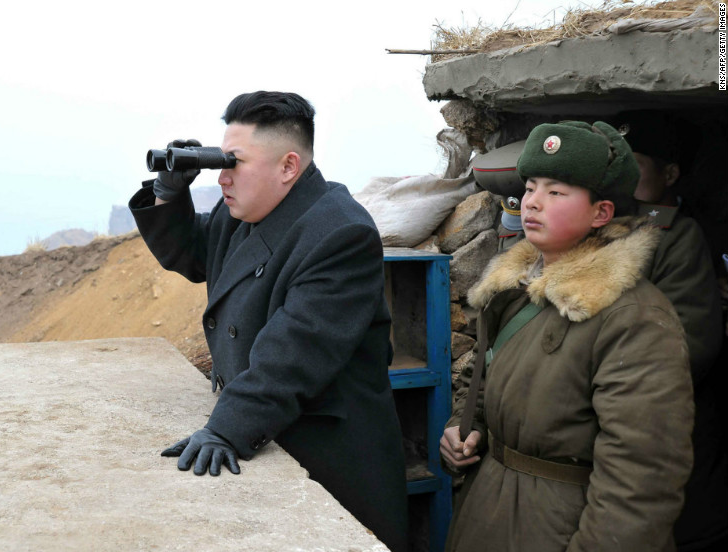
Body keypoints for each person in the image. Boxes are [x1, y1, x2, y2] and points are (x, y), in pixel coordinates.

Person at [129, 91, 409, 551]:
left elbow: (293, 354)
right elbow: (196, 254)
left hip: (327, 460)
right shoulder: (248, 210)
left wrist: (225, 428)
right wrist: (168, 193)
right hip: (274, 433)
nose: (222, 179)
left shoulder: (341, 233)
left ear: (287, 167)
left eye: (234, 163)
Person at [440, 121, 694, 551]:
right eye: (532, 187)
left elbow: (642, 478)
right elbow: (485, 374)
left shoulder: (635, 318)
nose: (533, 202)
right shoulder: (516, 292)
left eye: (556, 192)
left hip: (561, 526)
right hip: (489, 508)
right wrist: (464, 426)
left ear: (602, 213)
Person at [620, 112, 727, 552]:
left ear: (670, 174)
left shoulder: (681, 237)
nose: (625, 176)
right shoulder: (613, 226)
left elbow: (694, 344)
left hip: (669, 419)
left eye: (637, 164)